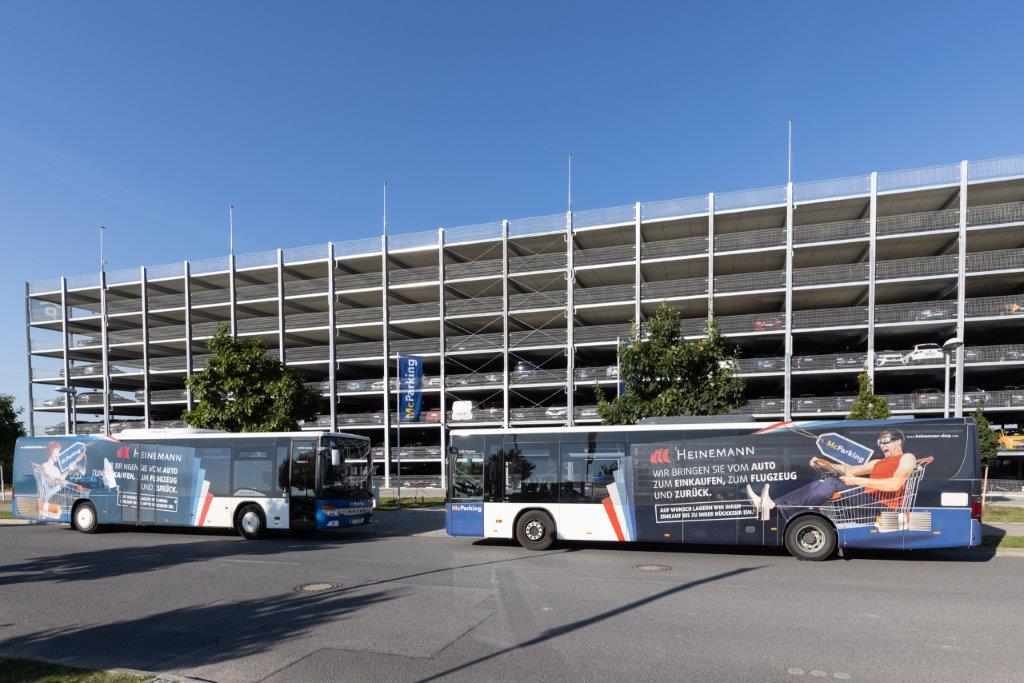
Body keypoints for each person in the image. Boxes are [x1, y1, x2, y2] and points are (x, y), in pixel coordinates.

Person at [746, 428, 917, 521]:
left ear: (898, 441)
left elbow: (895, 484)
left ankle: (775, 508)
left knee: (832, 484)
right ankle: (774, 506)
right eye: (880, 443)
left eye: (885, 442)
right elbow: (849, 470)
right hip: (866, 501)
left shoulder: (907, 457)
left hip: (882, 507)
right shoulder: (877, 462)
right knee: (827, 480)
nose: (881, 446)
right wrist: (825, 462)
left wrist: (856, 481)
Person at [35, 441, 85, 519]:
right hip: (51, 497)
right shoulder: (44, 466)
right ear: (51, 451)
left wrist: (76, 461)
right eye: (57, 452)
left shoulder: (56, 469)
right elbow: (54, 483)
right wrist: (67, 471)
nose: (58, 455)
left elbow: (61, 482)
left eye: (59, 452)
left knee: (75, 493)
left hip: (58, 496)